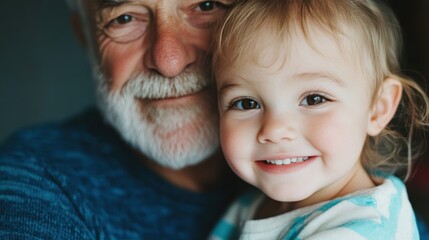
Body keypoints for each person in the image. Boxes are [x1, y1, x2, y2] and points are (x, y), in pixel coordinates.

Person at [0, 0, 240, 239]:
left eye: (207, 6)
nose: (169, 63)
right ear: (85, 35)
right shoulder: (33, 180)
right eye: (124, 18)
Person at [209, 0, 429, 239]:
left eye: (314, 99)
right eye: (246, 103)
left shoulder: (364, 231)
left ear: (378, 108)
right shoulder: (252, 202)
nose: (275, 130)